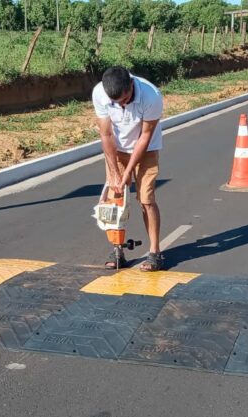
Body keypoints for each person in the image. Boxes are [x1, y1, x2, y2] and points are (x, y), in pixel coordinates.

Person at [92, 66, 165, 272]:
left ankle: (155, 252)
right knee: (115, 200)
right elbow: (106, 135)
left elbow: (145, 137)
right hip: (117, 148)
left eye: (125, 100)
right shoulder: (100, 93)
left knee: (146, 199)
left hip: (146, 149)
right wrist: (116, 173)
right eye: (116, 103)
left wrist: (127, 172)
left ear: (131, 85)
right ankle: (118, 251)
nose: (122, 105)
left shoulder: (151, 96)